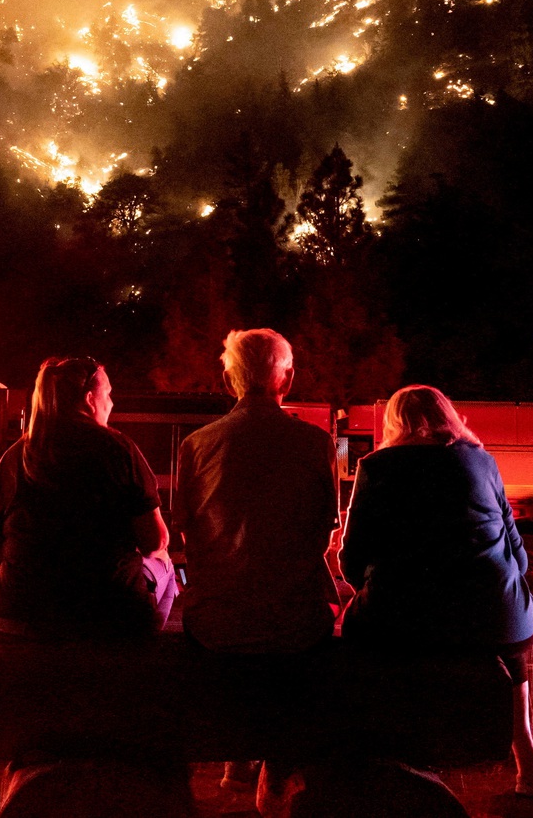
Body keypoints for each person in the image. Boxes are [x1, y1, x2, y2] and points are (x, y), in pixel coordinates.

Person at [338, 384, 533, 796]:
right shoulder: (482, 461)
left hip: (402, 618)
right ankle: (529, 764)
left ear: (394, 423)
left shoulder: (376, 467)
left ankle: (382, 754)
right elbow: (521, 558)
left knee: (356, 636)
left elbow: (352, 562)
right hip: (494, 619)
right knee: (505, 636)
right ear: (448, 417)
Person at [174, 329, 339, 816]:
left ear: (230, 379)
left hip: (215, 624)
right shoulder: (314, 444)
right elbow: (322, 535)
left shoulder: (197, 445)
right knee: (307, 634)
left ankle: (240, 757)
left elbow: (190, 539)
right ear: (286, 378)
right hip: (293, 624)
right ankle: (278, 765)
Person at [0, 356, 175, 637]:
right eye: (108, 394)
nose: (112, 403)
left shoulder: (16, 456)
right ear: (90, 398)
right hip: (110, 614)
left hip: (20, 611)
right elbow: (154, 542)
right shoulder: (119, 449)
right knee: (165, 565)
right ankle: (142, 651)